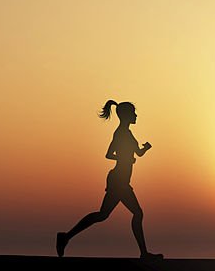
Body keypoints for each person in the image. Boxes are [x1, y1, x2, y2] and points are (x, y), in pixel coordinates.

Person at [57, 100, 162, 260]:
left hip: (121, 181)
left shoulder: (127, 133)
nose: (136, 115)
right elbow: (108, 154)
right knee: (137, 213)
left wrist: (144, 150)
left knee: (103, 214)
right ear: (126, 115)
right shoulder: (120, 133)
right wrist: (123, 158)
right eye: (133, 113)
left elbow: (137, 154)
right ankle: (144, 253)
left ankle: (66, 237)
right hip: (118, 181)